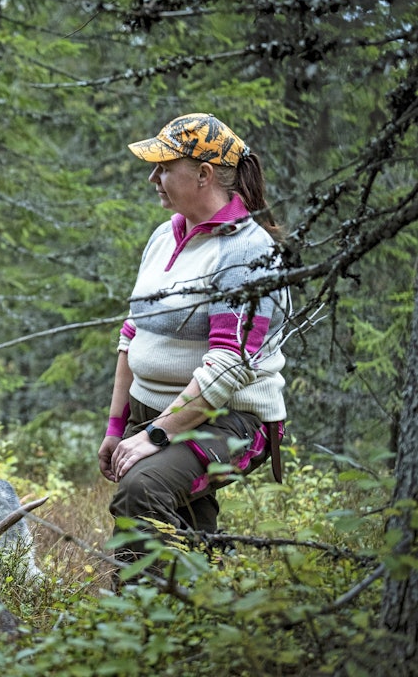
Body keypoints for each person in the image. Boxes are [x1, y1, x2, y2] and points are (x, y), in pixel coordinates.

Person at [97, 113, 289, 575]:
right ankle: (205, 618)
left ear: (204, 174)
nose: (153, 178)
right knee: (187, 525)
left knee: (142, 492)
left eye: (164, 167)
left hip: (228, 419)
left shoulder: (248, 252)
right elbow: (132, 334)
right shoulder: (165, 234)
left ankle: (143, 620)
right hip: (154, 410)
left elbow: (228, 365)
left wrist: (156, 434)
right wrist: (117, 426)